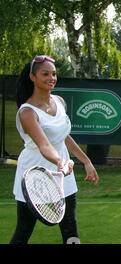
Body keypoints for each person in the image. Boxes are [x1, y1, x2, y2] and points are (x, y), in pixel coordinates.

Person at [10, 55, 99, 244]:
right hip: (34, 175)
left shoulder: (59, 101)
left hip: (63, 174)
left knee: (71, 231)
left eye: (54, 74)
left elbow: (63, 136)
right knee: (24, 231)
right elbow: (44, 144)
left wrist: (86, 161)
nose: (51, 78)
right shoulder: (27, 112)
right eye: (45, 74)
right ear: (33, 77)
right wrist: (60, 162)